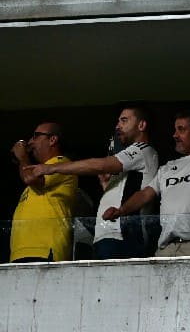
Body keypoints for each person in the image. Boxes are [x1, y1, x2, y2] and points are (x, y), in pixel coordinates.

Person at [25, 106, 158, 259]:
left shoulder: (143, 150)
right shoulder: (132, 161)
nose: (118, 126)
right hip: (107, 235)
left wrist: (51, 168)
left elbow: (103, 165)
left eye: (124, 120)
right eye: (118, 121)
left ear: (141, 125)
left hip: (126, 235)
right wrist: (106, 186)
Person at [102, 109, 190, 257]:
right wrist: (121, 210)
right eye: (175, 130)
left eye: (181, 129)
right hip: (166, 248)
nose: (175, 135)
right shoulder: (167, 167)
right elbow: (145, 194)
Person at [9, 122, 78, 262]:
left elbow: (30, 178)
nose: (30, 141)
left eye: (36, 136)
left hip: (45, 250)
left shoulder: (62, 164)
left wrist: (23, 157)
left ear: (52, 139)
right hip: (19, 252)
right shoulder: (33, 180)